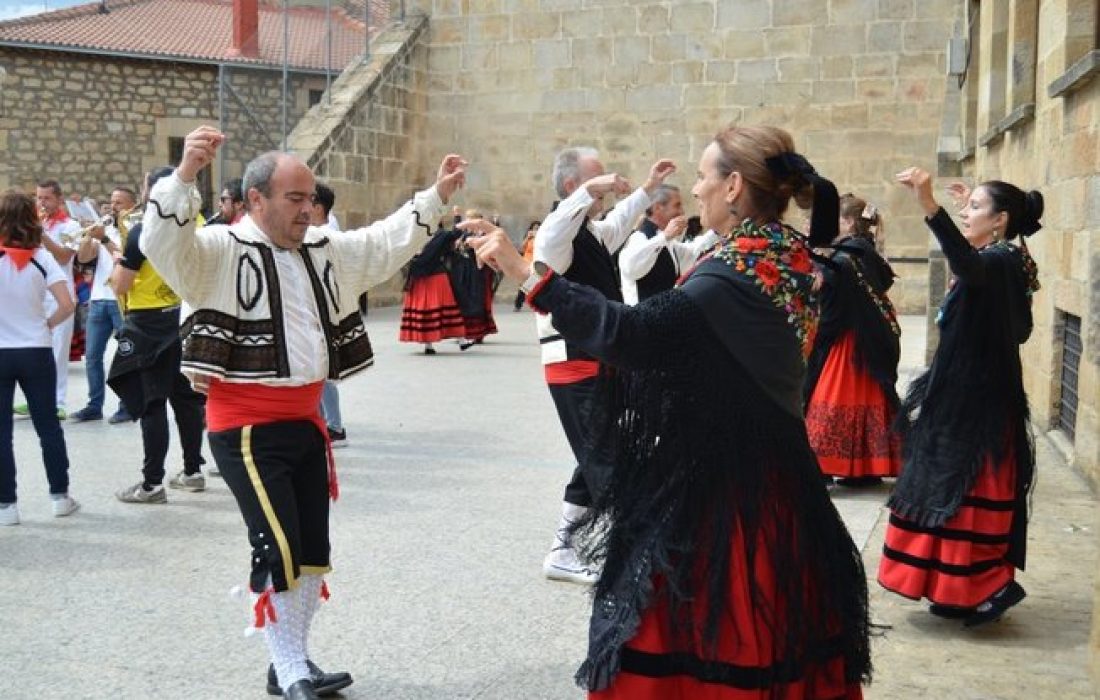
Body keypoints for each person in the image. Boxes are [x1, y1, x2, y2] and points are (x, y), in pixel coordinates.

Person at [464, 124, 870, 699]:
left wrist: (524, 271)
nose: (697, 189)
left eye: (704, 177)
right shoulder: (789, 256)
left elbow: (629, 333)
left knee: (696, 639)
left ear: (732, 186)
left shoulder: (733, 275)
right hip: (778, 477)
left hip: (725, 490)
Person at [139, 125, 465, 700]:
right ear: (256, 199)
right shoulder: (214, 251)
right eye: (295, 198)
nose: (308, 209)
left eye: (310, 198)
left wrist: (433, 197)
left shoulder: (323, 250)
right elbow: (160, 245)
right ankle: (288, 666)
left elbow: (385, 243)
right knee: (279, 546)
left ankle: (292, 660)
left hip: (305, 422)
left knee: (313, 549)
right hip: (244, 427)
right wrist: (185, 175)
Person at [878, 168, 1042, 627]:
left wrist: (929, 206)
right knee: (946, 489)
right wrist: (974, 208)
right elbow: (1017, 324)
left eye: (973, 209)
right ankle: (953, 588)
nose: (964, 213)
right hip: (966, 398)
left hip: (977, 407)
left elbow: (970, 267)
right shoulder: (1003, 260)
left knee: (962, 490)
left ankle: (989, 585)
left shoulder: (999, 262)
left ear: (1001, 221)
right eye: (964, 207)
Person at [535, 146, 676, 585]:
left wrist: (647, 189)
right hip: (573, 362)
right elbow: (547, 239)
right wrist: (586, 194)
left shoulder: (592, 232)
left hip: (600, 360)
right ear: (574, 186)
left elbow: (615, 225)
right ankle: (635, 553)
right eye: (598, 182)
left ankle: (562, 549)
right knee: (606, 458)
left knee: (598, 453)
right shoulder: (558, 236)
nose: (607, 190)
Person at [108, 168, 208, 503]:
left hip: (149, 324)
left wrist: (116, 257)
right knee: (188, 400)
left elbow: (121, 284)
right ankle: (193, 471)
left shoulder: (143, 231)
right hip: (187, 316)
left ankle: (152, 484)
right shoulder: (199, 224)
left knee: (152, 404)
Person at [804, 193, 902, 486]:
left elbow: (832, 310)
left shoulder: (842, 258)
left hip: (845, 344)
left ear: (847, 223)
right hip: (870, 340)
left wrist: (815, 339)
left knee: (832, 402)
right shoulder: (866, 251)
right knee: (868, 401)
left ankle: (823, 464)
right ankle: (866, 468)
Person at [0, 191, 79, 525]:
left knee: (2, 433)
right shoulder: (41, 257)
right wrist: (46, 324)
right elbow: (68, 303)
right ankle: (59, 496)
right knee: (48, 426)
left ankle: (7, 506)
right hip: (36, 348)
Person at [13, 180, 81, 420]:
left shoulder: (72, 226)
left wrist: (42, 234)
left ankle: (58, 401)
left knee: (58, 351)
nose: (41, 203)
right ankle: (34, 400)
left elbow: (63, 257)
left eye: (46, 199)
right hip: (37, 295)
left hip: (60, 295)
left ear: (59, 200)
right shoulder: (32, 224)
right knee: (35, 352)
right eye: (38, 198)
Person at [70, 186, 135, 424]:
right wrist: (88, 234)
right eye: (112, 201)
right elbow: (84, 258)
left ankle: (127, 404)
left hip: (121, 301)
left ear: (132, 206)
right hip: (98, 300)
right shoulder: (104, 229)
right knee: (93, 357)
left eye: (119, 203)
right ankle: (94, 405)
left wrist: (104, 238)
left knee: (125, 356)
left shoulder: (133, 230)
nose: (113, 206)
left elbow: (124, 256)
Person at [617, 184, 719, 305]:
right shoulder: (639, 238)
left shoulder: (668, 242)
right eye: (677, 205)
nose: (682, 211)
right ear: (657, 208)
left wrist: (717, 229)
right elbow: (630, 268)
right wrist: (664, 237)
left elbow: (691, 252)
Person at [312, 182, 350, 447]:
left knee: (322, 373)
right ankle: (326, 422)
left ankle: (335, 426)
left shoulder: (324, 236)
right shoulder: (324, 229)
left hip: (322, 312)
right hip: (319, 312)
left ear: (317, 207)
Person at [398, 211, 466, 354]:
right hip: (436, 276)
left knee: (425, 310)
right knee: (447, 306)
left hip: (418, 276)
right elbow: (457, 233)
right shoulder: (441, 235)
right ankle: (461, 340)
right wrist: (458, 217)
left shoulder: (415, 236)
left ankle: (429, 345)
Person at [448, 208, 497, 349]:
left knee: (476, 299)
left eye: (470, 219)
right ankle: (464, 331)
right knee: (463, 299)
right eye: (467, 218)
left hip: (477, 270)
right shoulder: (464, 234)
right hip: (463, 270)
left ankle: (477, 332)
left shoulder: (484, 234)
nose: (467, 222)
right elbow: (453, 238)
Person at [513, 220, 539, 311]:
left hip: (536, 263)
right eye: (534, 228)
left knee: (535, 285)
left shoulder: (541, 238)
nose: (536, 230)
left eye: (538, 228)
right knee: (524, 286)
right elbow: (522, 248)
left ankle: (536, 303)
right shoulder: (529, 238)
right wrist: (528, 237)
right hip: (527, 262)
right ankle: (518, 304)